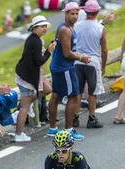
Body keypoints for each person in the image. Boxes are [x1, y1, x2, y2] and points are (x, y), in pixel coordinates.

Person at [47, 2, 91, 141]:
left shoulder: (69, 28)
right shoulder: (65, 30)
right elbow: (66, 53)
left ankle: (53, 128)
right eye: (72, 14)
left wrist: (78, 54)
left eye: (77, 13)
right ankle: (68, 130)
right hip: (64, 67)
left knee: (56, 95)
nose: (75, 16)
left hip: (59, 66)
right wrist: (81, 58)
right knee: (74, 96)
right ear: (66, 14)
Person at [14, 15, 55, 142]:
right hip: (26, 77)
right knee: (24, 107)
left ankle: (30, 102)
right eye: (42, 26)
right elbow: (40, 61)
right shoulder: (35, 41)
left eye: (45, 26)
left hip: (29, 75)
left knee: (47, 89)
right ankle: (18, 134)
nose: (45, 29)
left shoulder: (33, 39)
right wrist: (49, 51)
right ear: (35, 28)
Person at [72, 0, 107, 129]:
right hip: (93, 61)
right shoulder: (100, 27)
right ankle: (92, 118)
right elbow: (104, 49)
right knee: (93, 92)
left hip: (77, 60)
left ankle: (74, 117)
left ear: (85, 11)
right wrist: (103, 66)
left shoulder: (76, 25)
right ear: (97, 12)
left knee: (78, 91)